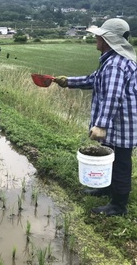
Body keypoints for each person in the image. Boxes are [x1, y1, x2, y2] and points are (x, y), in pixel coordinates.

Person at [54, 18, 137, 216]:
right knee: (111, 159)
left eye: (99, 36)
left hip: (121, 124)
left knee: (121, 163)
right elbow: (92, 80)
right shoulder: (111, 60)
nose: (96, 39)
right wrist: (67, 82)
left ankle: (119, 206)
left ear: (108, 39)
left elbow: (112, 97)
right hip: (116, 124)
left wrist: (100, 125)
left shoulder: (115, 65)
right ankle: (108, 188)